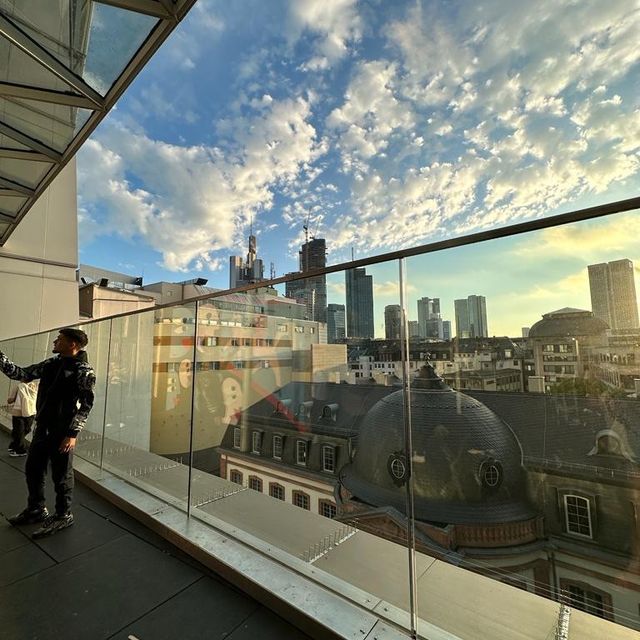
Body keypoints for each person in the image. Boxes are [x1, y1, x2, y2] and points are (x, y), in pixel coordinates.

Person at [0, 328, 95, 538]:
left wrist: (72, 434)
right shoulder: (52, 363)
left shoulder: (84, 371)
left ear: (72, 344)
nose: (55, 341)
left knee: (62, 476)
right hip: (42, 429)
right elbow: (21, 374)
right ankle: (36, 508)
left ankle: (63, 514)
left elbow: (86, 404)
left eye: (60, 339)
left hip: (62, 433)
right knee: (33, 469)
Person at [7, 380, 38, 457]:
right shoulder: (19, 386)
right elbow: (10, 400)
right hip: (24, 412)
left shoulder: (33, 386)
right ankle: (20, 449)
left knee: (21, 430)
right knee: (20, 431)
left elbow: (10, 400)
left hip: (28, 412)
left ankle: (14, 446)